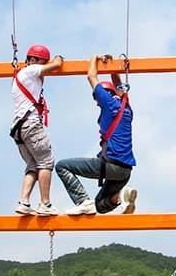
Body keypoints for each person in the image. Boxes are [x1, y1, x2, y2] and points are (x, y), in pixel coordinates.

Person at [55, 53, 137, 215]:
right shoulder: (126, 108)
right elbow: (118, 84)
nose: (96, 102)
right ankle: (121, 196)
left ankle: (82, 201)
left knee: (62, 166)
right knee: (99, 206)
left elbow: (91, 75)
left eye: (96, 98)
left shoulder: (107, 103)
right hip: (125, 171)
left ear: (102, 95)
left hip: (111, 164)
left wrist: (95, 58)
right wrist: (112, 67)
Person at [11, 44, 64, 216]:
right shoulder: (31, 70)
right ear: (34, 60)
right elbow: (56, 66)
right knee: (46, 161)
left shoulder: (21, 75)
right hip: (31, 124)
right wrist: (58, 59)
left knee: (33, 164)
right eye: (43, 62)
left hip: (19, 127)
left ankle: (24, 201)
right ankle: (45, 204)